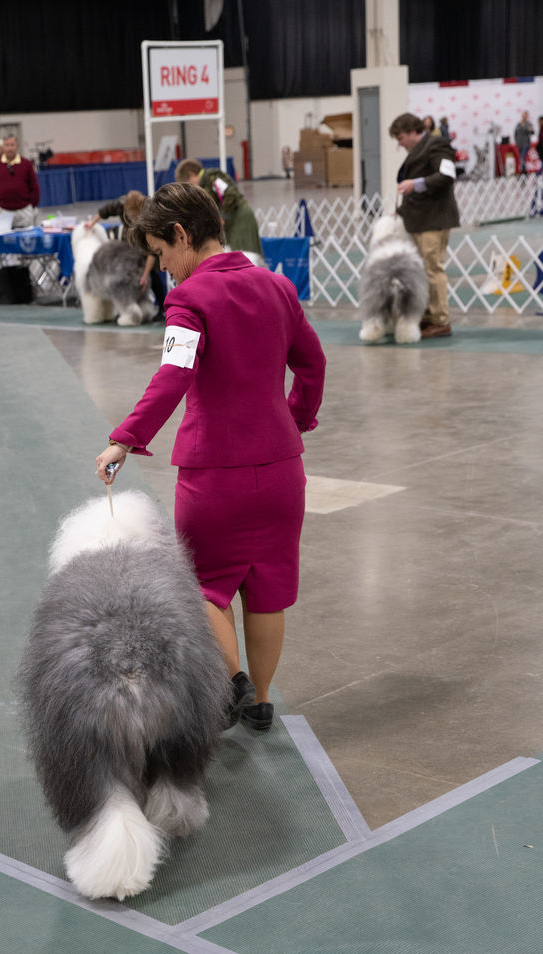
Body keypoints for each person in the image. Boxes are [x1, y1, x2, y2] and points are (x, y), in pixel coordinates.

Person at [95, 183, 326, 734]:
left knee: (202, 585)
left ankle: (231, 686)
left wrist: (125, 438)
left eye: (160, 251)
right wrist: (295, 417)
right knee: (267, 590)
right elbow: (313, 364)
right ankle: (262, 701)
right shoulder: (277, 287)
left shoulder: (190, 299)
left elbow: (175, 375)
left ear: (182, 234)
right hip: (280, 472)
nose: (161, 267)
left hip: (213, 477)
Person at [390, 112, 459, 339]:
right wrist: (400, 211)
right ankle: (427, 317)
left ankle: (441, 321)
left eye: (400, 138)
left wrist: (415, 184)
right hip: (418, 220)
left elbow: (446, 176)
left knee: (433, 270)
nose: (399, 144)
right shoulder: (415, 151)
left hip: (434, 219)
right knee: (421, 272)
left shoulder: (437, 144)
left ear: (412, 132)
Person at [84, 189, 166, 314]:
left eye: (135, 217)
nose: (133, 220)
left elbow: (152, 253)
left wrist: (144, 275)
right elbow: (104, 211)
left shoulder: (150, 210)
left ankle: (162, 308)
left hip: (148, 241)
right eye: (130, 217)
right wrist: (91, 223)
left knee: (152, 276)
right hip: (131, 241)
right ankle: (127, 309)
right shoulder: (120, 204)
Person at [174, 158, 263, 258]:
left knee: (248, 257)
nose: (191, 188)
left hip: (240, 219)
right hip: (231, 222)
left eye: (189, 183)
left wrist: (222, 217)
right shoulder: (206, 184)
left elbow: (231, 195)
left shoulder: (214, 178)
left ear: (191, 174)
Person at [0, 133, 39, 228]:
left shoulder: (27, 164)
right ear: (3, 147)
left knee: (25, 240)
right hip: (1, 210)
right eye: (7, 145)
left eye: (12, 145)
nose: (10, 148)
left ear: (17, 146)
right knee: (1, 239)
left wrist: (31, 206)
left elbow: (34, 187)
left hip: (24, 211)